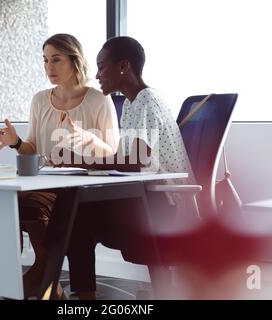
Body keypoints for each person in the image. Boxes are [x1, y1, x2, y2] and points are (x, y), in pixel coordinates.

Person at [0, 33, 120, 299]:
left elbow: (113, 153)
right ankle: (47, 281)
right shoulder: (39, 100)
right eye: (45, 60)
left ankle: (42, 278)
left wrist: (90, 140)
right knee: (6, 203)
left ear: (74, 61)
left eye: (56, 60)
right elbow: (33, 149)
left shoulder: (99, 100)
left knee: (34, 205)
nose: (49, 68)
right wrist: (16, 142)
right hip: (47, 182)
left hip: (86, 187)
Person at [61, 36, 195, 299]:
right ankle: (82, 294)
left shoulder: (146, 99)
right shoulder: (131, 104)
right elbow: (125, 159)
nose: (97, 75)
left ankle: (80, 296)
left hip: (161, 204)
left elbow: (136, 162)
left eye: (101, 66)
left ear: (123, 66)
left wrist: (80, 162)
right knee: (78, 215)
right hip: (145, 197)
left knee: (78, 215)